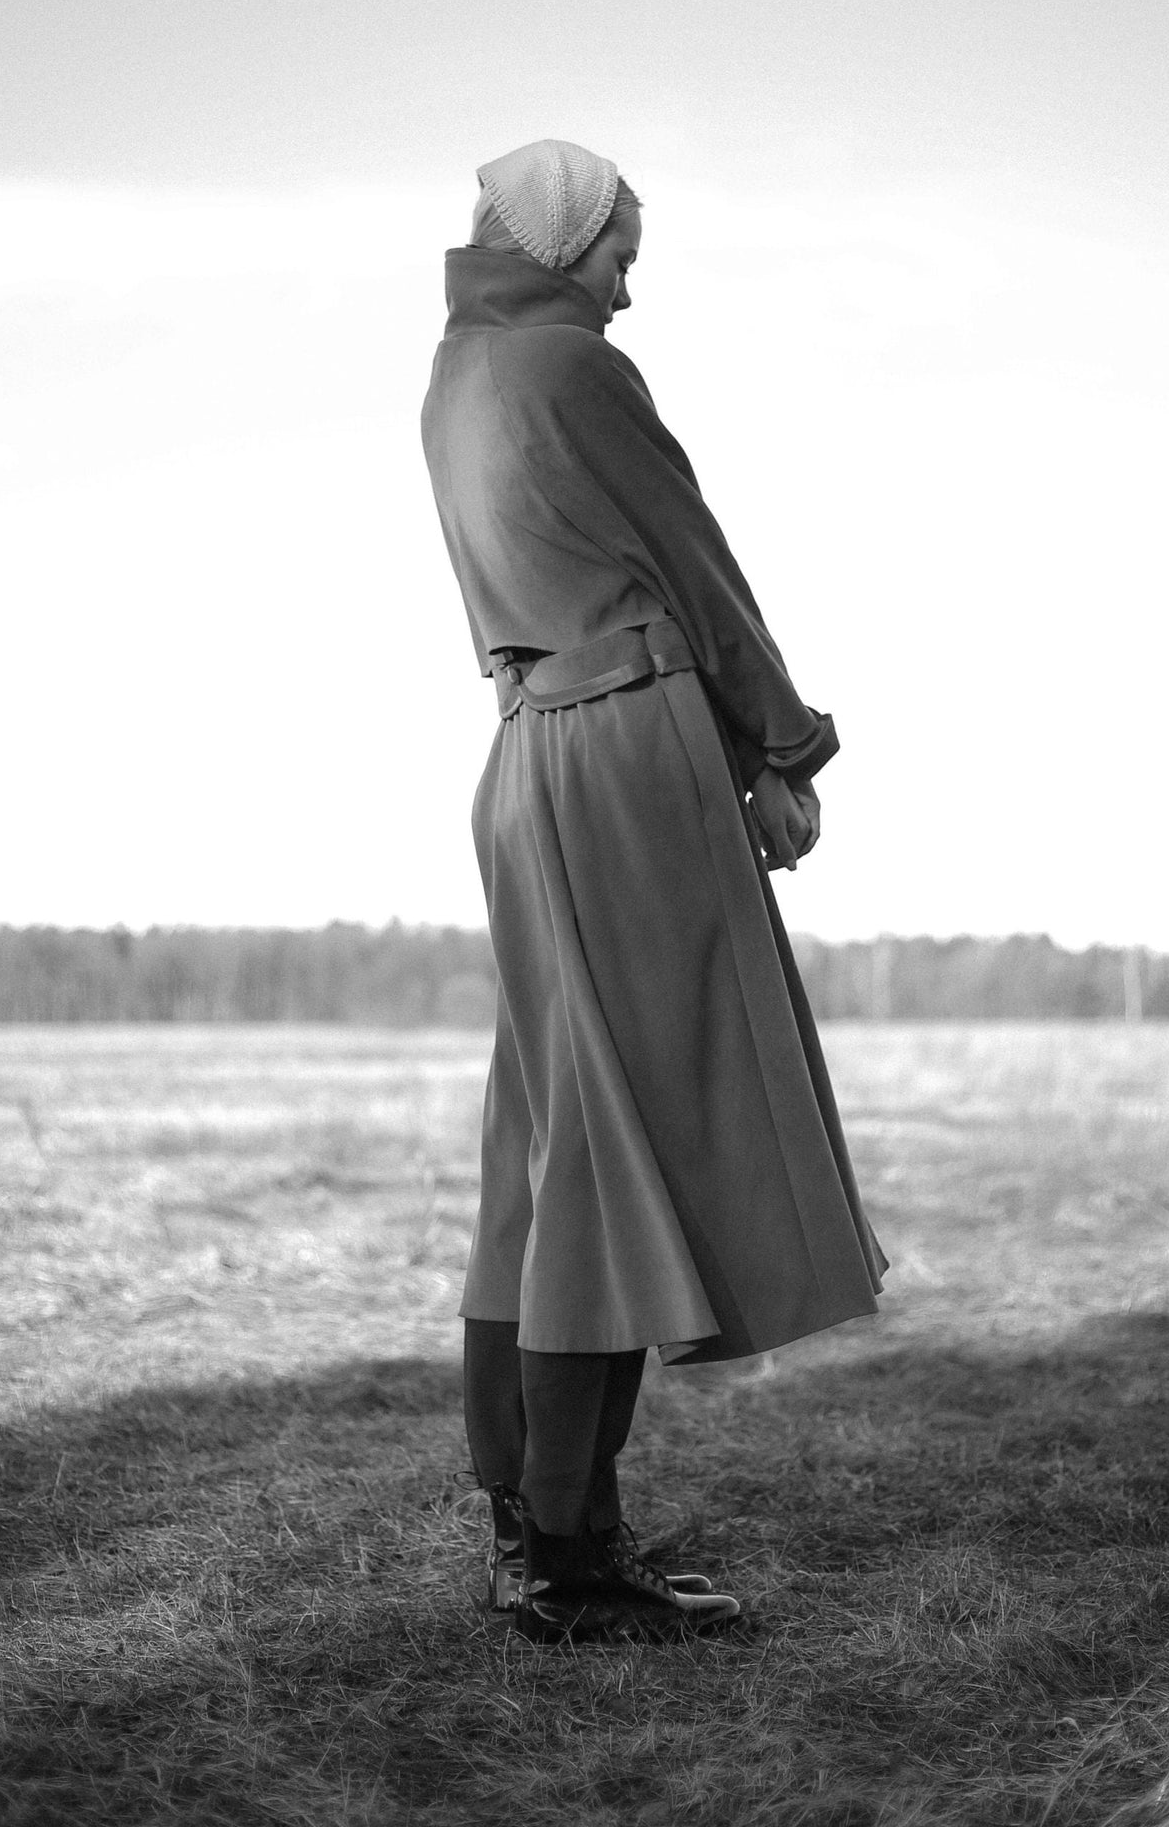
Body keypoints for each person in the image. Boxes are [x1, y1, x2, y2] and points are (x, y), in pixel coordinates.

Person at [422, 138, 888, 1645]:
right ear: (566, 243)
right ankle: (571, 1552)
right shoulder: (574, 367)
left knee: (550, 1140)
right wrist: (782, 746)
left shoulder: (457, 378)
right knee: (618, 1145)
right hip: (626, 754)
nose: (632, 282)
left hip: (527, 753)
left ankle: (531, 1518)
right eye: (621, 251)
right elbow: (694, 569)